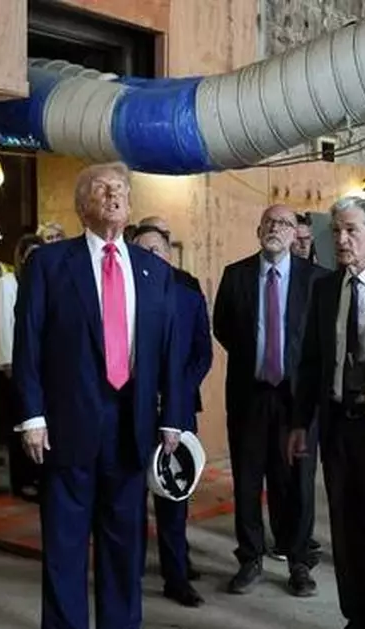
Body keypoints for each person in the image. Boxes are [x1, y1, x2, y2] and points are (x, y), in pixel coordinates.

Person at [13, 162, 184, 629]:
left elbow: (170, 348)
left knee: (124, 542)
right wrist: (31, 415)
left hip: (131, 426)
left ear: (130, 205)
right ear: (80, 205)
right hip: (67, 424)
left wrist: (175, 417)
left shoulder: (153, 269)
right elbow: (27, 341)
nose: (113, 195)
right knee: (65, 544)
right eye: (102, 188)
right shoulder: (49, 264)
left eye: (121, 189)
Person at [289, 196, 365, 629]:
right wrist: (302, 423)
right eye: (336, 230)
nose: (340, 239)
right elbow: (311, 362)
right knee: (345, 531)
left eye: (351, 230)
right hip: (338, 427)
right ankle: (359, 618)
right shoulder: (324, 288)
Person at [213, 204, 327, 597]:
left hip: (298, 399)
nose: (275, 229)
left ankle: (298, 561)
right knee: (247, 478)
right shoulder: (236, 275)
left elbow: (320, 339)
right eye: (269, 223)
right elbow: (223, 328)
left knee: (295, 481)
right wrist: (259, 358)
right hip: (250, 394)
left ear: (297, 233)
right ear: (258, 229)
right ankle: (249, 558)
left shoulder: (317, 280)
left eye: (284, 223)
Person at [132, 223, 212, 608]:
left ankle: (176, 576)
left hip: (177, 412)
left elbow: (202, 354)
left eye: (156, 249)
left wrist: (175, 391)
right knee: (127, 496)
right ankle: (126, 572)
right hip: (130, 411)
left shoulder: (188, 298)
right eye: (140, 250)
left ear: (169, 255)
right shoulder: (120, 298)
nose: (149, 256)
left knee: (173, 497)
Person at [0, 234, 45, 500]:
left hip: (39, 369)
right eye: (29, 255)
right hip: (14, 367)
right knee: (18, 426)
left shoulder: (44, 285)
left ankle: (36, 476)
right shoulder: (7, 283)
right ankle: (20, 480)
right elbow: (3, 326)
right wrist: (10, 365)